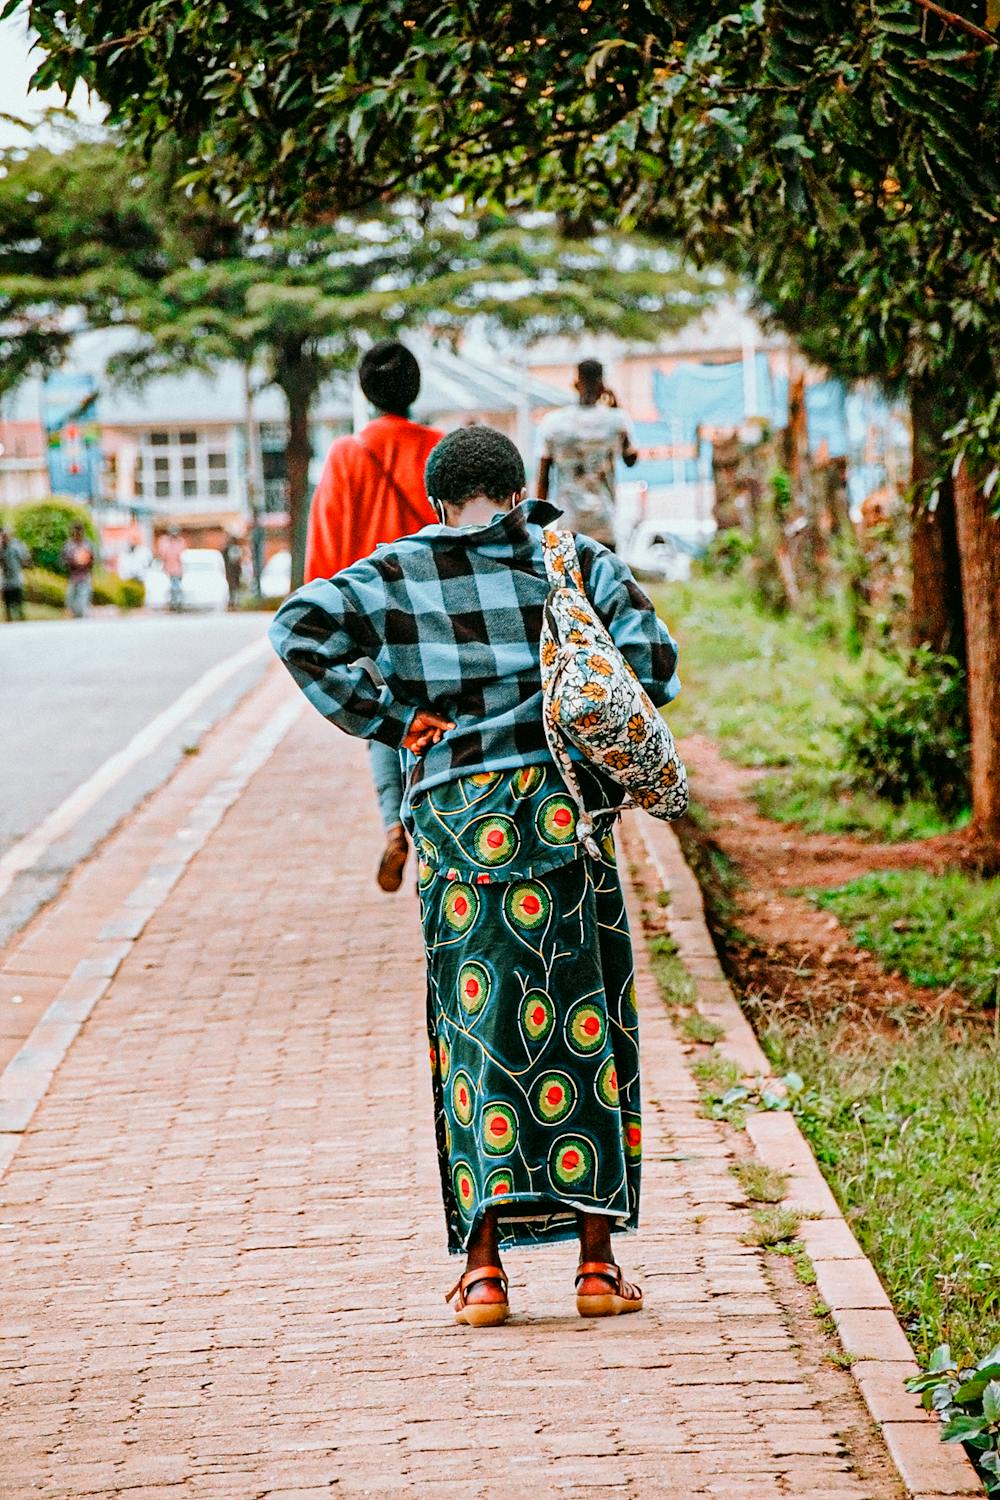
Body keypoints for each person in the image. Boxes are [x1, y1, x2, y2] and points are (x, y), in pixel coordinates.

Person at [270, 426, 680, 1328]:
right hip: (562, 815)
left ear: (437, 502)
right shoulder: (576, 560)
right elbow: (653, 666)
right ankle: (598, 1271)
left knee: (474, 1029)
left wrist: (390, 716)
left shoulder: (393, 572)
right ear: (516, 485)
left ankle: (486, 1276)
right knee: (584, 1025)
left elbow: (294, 627)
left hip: (456, 824)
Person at [305, 340, 443, 893]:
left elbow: (324, 555)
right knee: (442, 721)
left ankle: (394, 825)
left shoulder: (346, 455)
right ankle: (438, 830)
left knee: (387, 727)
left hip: (370, 623)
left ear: (365, 392)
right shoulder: (440, 450)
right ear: (415, 389)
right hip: (435, 614)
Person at [536, 358, 639, 549]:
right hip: (604, 523)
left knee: (565, 579)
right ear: (602, 386)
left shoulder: (554, 423)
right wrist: (616, 407)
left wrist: (536, 524)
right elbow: (631, 459)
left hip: (567, 525)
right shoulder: (617, 421)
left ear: (576, 384)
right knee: (605, 578)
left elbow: (544, 479)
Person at [61, 522, 95, 618]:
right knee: (70, 599)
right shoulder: (68, 546)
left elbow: (93, 560)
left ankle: (82, 617)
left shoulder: (87, 544)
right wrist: (72, 562)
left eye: (79, 531)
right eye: (75, 531)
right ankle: (76, 616)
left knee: (82, 600)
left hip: (84, 577)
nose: (77, 534)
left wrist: (85, 562)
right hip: (73, 577)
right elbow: (63, 561)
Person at [0, 528, 31, 621]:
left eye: (5, 536)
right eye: (2, 536)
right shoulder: (1, 549)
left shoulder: (15, 547)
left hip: (16, 580)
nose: (4, 538)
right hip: (6, 581)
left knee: (18, 605)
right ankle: (10, 625)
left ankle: (22, 624)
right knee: (7, 606)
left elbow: (25, 561)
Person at [157, 525, 186, 611]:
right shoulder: (165, 542)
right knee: (173, 587)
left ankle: (177, 604)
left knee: (176, 587)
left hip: (178, 569)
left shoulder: (180, 542)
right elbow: (162, 554)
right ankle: (174, 604)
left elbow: (182, 555)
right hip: (168, 569)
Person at [221, 533, 244, 609]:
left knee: (235, 588)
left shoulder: (236, 549)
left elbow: (238, 560)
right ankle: (232, 602)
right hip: (231, 571)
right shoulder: (229, 549)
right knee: (232, 588)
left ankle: (234, 602)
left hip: (234, 572)